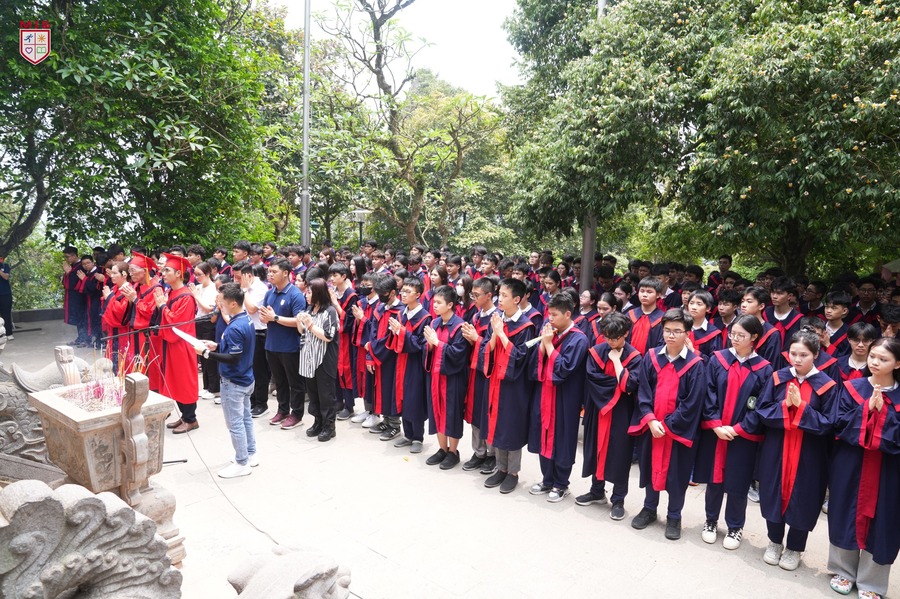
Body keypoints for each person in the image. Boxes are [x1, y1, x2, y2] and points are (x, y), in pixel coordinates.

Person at [754, 326, 838, 571]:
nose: (797, 359)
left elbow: (829, 423)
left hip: (808, 453)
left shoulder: (827, 385)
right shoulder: (778, 378)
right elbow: (762, 409)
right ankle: (774, 542)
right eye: (793, 353)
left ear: (816, 355)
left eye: (804, 355)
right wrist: (786, 406)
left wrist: (801, 407)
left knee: (804, 497)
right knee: (772, 492)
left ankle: (795, 548)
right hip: (777, 448)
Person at [827, 337, 900, 599]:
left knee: (884, 520)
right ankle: (843, 570)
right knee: (844, 510)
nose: (875, 362)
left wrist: (884, 416)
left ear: (897, 364)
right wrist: (867, 410)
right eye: (873, 356)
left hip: (888, 469)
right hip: (851, 463)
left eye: (883, 359)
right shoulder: (852, 388)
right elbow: (837, 424)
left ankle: (872, 582)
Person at [694, 315, 773, 550]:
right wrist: (716, 424)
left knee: (738, 482)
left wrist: (738, 428)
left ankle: (735, 526)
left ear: (754, 337)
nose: (735, 339)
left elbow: (761, 405)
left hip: (742, 436)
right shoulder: (718, 359)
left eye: (741, 335)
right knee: (714, 480)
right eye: (733, 334)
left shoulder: (764, 369)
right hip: (716, 432)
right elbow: (708, 393)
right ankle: (710, 521)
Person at [628, 308, 706, 541]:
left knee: (677, 475)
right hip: (652, 427)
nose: (671, 335)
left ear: (687, 333)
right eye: (667, 330)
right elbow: (643, 391)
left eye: (677, 331)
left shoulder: (695, 364)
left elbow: (693, 402)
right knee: (650, 468)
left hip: (678, 431)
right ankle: (649, 508)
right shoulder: (652, 356)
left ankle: (674, 516)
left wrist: (668, 424)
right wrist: (651, 420)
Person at [578, 312, 642, 519]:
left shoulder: (634, 357)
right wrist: (619, 383)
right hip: (598, 411)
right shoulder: (596, 352)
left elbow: (631, 385)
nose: (611, 342)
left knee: (620, 455)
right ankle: (597, 491)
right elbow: (592, 380)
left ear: (626, 333)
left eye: (616, 338)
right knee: (596, 450)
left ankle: (618, 499)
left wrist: (616, 363)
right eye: (607, 337)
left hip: (621, 413)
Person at [527, 293, 589, 502]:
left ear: (568, 314)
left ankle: (561, 484)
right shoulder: (549, 333)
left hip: (565, 398)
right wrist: (543, 345)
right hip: (545, 394)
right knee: (543, 435)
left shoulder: (579, 339)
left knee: (563, 439)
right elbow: (534, 366)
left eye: (554, 314)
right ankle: (547, 480)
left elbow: (564, 369)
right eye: (549, 314)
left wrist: (549, 345)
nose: (550, 318)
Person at [480, 278, 536, 495]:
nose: (499, 299)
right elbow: (486, 349)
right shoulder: (496, 319)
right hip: (495, 381)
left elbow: (520, 357)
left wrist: (502, 334)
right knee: (497, 424)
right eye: (499, 294)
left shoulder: (526, 327)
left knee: (511, 427)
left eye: (504, 295)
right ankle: (500, 468)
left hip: (514, 385)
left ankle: (512, 472)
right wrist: (496, 333)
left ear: (517, 299)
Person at [196, 282, 257, 478]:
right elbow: (235, 349)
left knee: (235, 423)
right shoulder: (244, 319)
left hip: (234, 381)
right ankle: (250, 453)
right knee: (245, 418)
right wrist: (217, 346)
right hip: (245, 377)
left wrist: (206, 353)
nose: (218, 304)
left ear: (232, 303)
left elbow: (234, 357)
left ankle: (242, 462)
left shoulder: (235, 326)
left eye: (221, 301)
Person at [423, 285, 470, 470]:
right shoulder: (434, 323)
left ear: (450, 305)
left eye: (439, 302)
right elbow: (427, 349)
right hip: (435, 377)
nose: (434, 305)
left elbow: (459, 354)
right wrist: (429, 346)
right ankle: (442, 449)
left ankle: (453, 452)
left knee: (452, 414)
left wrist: (437, 343)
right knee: (437, 411)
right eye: (434, 302)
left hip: (453, 379)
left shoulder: (460, 326)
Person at [259, 258, 307, 429]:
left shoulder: (295, 294)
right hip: (272, 344)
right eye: (269, 271)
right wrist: (267, 318)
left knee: (295, 382)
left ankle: (297, 414)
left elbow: (299, 321)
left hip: (290, 346)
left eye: (274, 272)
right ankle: (283, 410)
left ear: (286, 273)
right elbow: (265, 318)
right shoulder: (269, 293)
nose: (270, 275)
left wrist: (275, 318)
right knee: (279, 381)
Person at [155, 253, 200, 434]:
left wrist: (162, 306)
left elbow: (176, 322)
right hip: (171, 343)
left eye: (167, 270)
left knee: (183, 381)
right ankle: (184, 416)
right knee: (174, 380)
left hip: (181, 345)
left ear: (179, 274)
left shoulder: (186, 297)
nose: (163, 273)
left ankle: (191, 419)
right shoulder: (172, 292)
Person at [386, 277, 429, 453]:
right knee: (402, 396)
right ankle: (408, 434)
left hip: (415, 364)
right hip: (401, 362)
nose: (403, 294)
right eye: (402, 291)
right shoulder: (401, 314)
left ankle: (418, 437)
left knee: (414, 399)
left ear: (418, 295)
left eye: (408, 292)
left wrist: (401, 331)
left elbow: (420, 345)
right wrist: (395, 332)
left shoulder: (425, 317)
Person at [460, 277, 498, 474]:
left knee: (488, 412)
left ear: (489, 295)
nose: (473, 298)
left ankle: (492, 454)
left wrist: (477, 339)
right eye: (472, 294)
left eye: (476, 295)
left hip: (489, 373)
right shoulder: (476, 317)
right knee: (476, 411)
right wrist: (469, 339)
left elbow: (496, 348)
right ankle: (479, 452)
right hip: (475, 371)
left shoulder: (497, 319)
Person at [297, 278, 340, 442]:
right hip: (309, 358)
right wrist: (300, 321)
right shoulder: (310, 309)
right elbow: (302, 332)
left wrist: (310, 325)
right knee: (313, 393)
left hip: (324, 359)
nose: (306, 295)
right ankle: (318, 422)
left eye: (309, 292)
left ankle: (329, 426)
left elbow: (328, 336)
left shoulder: (330, 311)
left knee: (326, 394)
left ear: (318, 293)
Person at [367, 275, 403, 440]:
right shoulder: (380, 309)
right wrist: (370, 355)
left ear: (393, 292)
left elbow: (392, 337)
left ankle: (394, 425)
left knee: (391, 390)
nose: (380, 296)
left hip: (393, 357)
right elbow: (373, 333)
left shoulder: (400, 311)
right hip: (378, 355)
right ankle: (386, 420)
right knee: (381, 389)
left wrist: (373, 350)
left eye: (383, 293)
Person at [328, 263, 359, 420]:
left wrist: (335, 303)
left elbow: (349, 322)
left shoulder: (351, 296)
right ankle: (338, 401)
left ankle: (349, 405)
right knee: (334, 369)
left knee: (346, 370)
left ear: (344, 276)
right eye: (331, 275)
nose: (332, 278)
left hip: (346, 339)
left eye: (335, 275)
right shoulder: (333, 292)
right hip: (333, 336)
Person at [350, 272, 380, 427]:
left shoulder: (379, 305)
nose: (363, 287)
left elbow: (376, 329)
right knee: (362, 379)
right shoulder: (361, 303)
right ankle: (367, 410)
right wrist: (358, 319)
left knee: (371, 381)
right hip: (360, 347)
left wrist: (363, 319)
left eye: (367, 285)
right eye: (363, 284)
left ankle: (375, 413)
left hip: (371, 347)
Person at [191, 261, 220, 400]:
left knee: (209, 356)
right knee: (202, 356)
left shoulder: (213, 288)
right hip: (198, 321)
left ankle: (214, 388)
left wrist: (197, 296)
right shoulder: (198, 287)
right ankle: (206, 386)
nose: (197, 277)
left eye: (199, 274)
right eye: (195, 274)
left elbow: (210, 309)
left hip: (209, 323)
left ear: (208, 273)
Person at [100, 261, 133, 373]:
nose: (112, 276)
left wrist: (109, 297)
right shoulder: (116, 288)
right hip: (113, 331)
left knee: (120, 362)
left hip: (122, 332)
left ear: (124, 275)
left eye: (115, 273)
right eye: (111, 273)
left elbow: (121, 313)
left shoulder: (127, 290)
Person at [740, 287, 783, 366]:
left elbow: (772, 364)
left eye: (749, 301)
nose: (743, 305)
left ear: (761, 306)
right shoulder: (737, 327)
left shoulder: (772, 334)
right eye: (743, 301)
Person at [626, 277, 665, 355]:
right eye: (642, 291)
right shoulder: (629, 315)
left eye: (649, 292)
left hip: (652, 359)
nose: (644, 295)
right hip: (628, 359)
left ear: (658, 295)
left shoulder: (663, 319)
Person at [62, 246, 88, 345]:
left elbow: (74, 283)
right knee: (78, 318)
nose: (66, 259)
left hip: (80, 297)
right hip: (73, 297)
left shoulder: (81, 266)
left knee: (82, 318)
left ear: (74, 256)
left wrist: (69, 273)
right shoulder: (73, 266)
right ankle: (80, 338)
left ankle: (85, 339)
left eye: (67, 257)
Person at [686, 290, 722, 359]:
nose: (694, 307)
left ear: (708, 308)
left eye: (699, 304)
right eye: (691, 303)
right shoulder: (681, 328)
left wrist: (693, 351)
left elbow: (715, 361)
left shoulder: (714, 334)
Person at [0, 254, 12, 340]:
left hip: (5, 294)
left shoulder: (5, 266)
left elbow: (6, 277)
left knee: (6, 314)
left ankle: (8, 333)